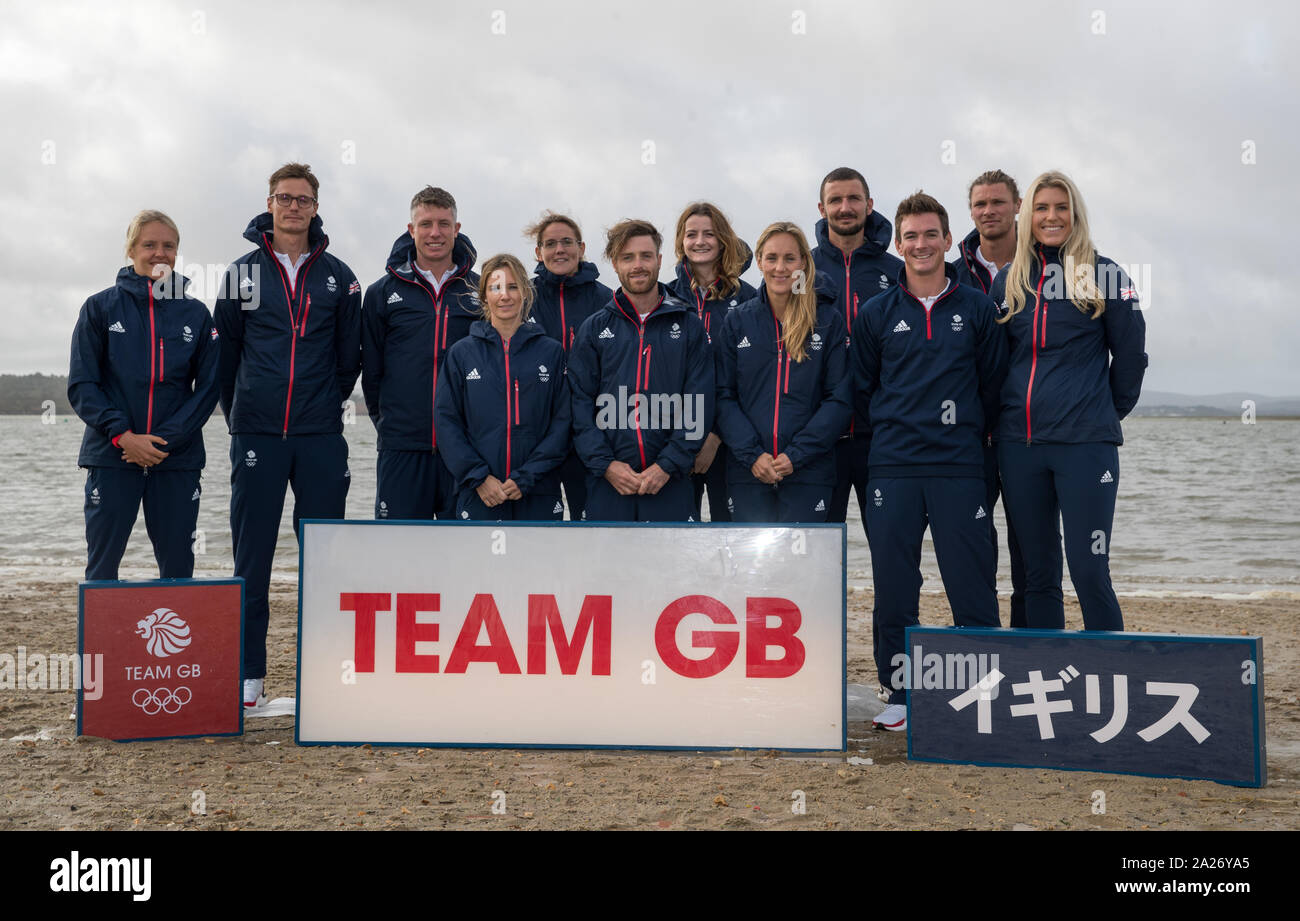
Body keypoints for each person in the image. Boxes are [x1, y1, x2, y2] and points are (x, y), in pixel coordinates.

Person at [852, 192, 1007, 732]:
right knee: (895, 586)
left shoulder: (977, 308)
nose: (921, 244)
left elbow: (992, 388)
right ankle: (901, 694)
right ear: (898, 244)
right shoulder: (876, 313)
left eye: (931, 234)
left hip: (960, 468)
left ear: (947, 239)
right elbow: (863, 390)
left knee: (971, 584)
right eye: (911, 236)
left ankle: (983, 693)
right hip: (892, 469)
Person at [215, 163, 361, 708]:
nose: (293, 207)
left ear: (316, 207)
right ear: (269, 203)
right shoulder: (239, 275)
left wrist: (322, 405)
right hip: (256, 433)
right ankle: (249, 677)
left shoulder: (341, 277)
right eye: (284, 198)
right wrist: (243, 414)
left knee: (324, 556)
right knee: (250, 559)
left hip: (320, 435)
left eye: (303, 199)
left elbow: (350, 360)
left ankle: (323, 673)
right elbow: (224, 355)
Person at [991, 170, 1147, 632]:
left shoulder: (1105, 274)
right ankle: (1046, 678)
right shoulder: (1009, 280)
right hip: (1020, 447)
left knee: (1088, 568)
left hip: (1086, 445)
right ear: (1027, 215)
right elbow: (998, 364)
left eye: (1061, 207)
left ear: (1075, 214)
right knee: (1036, 574)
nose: (1051, 216)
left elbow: (1132, 356)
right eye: (1042, 208)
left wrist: (1101, 412)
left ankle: (1109, 671)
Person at [69, 210, 219, 581]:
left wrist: (166, 440)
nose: (159, 253)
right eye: (149, 244)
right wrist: (124, 435)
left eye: (168, 246)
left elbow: (210, 388)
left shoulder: (196, 314)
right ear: (131, 249)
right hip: (112, 455)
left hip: (176, 458)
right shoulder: (99, 308)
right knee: (102, 567)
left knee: (178, 569)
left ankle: (178, 638)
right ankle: (98, 643)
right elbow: (82, 384)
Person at [567, 219, 713, 522]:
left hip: (670, 482)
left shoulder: (688, 326)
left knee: (670, 570)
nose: (638, 265)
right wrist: (606, 465)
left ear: (659, 261)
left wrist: (667, 465)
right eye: (628, 257)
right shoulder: (594, 329)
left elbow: (699, 404)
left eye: (646, 256)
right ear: (615, 263)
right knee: (609, 570)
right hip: (608, 484)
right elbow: (578, 405)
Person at [950, 169, 1043, 629]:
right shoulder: (952, 274)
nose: (989, 211)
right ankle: (982, 638)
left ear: (1018, 205)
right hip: (970, 434)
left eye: (998, 203)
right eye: (980, 204)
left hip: (1029, 431)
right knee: (973, 540)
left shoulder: (1046, 267)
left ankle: (1030, 642)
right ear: (971, 211)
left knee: (1032, 544)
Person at [714, 222, 850, 522]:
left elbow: (838, 399)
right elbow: (723, 396)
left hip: (808, 472)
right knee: (752, 568)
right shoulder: (738, 321)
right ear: (760, 261)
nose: (780, 267)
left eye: (790, 258)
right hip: (748, 472)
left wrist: (796, 455)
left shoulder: (827, 321)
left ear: (803, 262)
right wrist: (753, 455)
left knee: (804, 567)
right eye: (772, 258)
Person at [361, 186, 480, 522]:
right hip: (402, 448)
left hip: (465, 450)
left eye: (444, 223)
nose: (435, 233)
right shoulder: (381, 293)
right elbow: (371, 371)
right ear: (411, 230)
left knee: (462, 556)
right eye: (426, 224)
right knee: (398, 554)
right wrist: (388, 426)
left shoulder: (480, 290)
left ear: (457, 230)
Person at [434, 255, 570, 520]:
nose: (505, 296)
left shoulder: (551, 352)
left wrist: (527, 476)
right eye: (496, 288)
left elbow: (563, 423)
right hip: (479, 493)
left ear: (525, 292)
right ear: (484, 296)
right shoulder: (462, 353)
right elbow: (446, 421)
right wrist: (478, 477)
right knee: (478, 563)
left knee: (536, 563)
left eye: (513, 286)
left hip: (538, 491)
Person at [811, 167, 903, 525]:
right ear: (822, 208)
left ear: (870, 205)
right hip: (819, 439)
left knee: (891, 545)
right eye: (835, 200)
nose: (844, 207)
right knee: (814, 551)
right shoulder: (801, 270)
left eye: (854, 199)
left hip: (881, 436)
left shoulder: (899, 272)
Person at [667, 202, 757, 522]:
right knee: (676, 545)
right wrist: (686, 437)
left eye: (709, 233)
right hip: (674, 443)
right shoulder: (664, 299)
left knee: (730, 545)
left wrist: (716, 435)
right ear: (681, 242)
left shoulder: (750, 299)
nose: (700, 241)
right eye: (691, 234)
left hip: (731, 445)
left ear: (723, 240)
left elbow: (753, 377)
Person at [525, 212, 612, 520]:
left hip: (590, 434)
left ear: (581, 247)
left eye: (566, 242)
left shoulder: (607, 300)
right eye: (550, 244)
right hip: (538, 434)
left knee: (592, 529)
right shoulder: (523, 299)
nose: (559, 249)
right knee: (539, 534)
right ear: (538, 252)